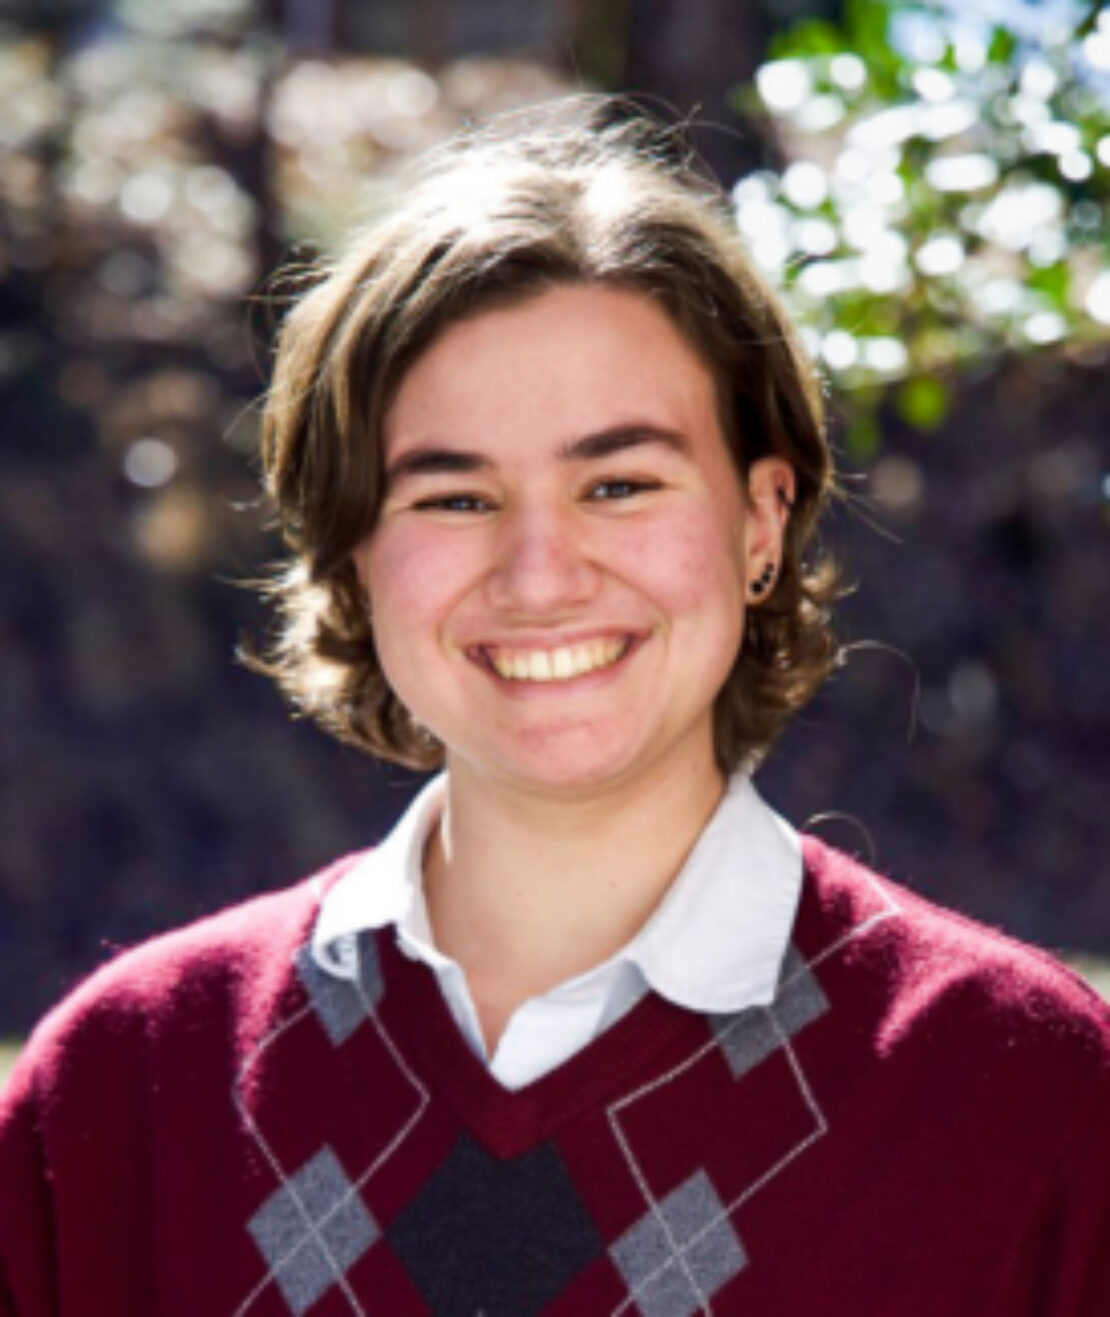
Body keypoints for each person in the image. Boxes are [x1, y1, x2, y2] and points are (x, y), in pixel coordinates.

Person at [2, 100, 1109, 1317]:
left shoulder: (1020, 1093)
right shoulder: (126, 1090)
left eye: (620, 483)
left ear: (760, 520)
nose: (541, 575)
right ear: (353, 555)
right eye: (455, 498)